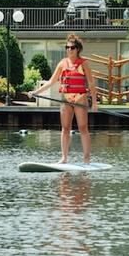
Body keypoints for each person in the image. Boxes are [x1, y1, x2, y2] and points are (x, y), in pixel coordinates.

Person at [35, 34, 99, 164]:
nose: (69, 50)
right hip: (66, 98)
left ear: (78, 49)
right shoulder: (62, 63)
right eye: (67, 47)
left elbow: (91, 84)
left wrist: (94, 103)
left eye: (72, 47)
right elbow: (51, 81)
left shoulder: (84, 63)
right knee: (65, 128)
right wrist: (36, 92)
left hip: (80, 98)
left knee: (82, 128)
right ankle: (64, 158)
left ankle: (86, 159)